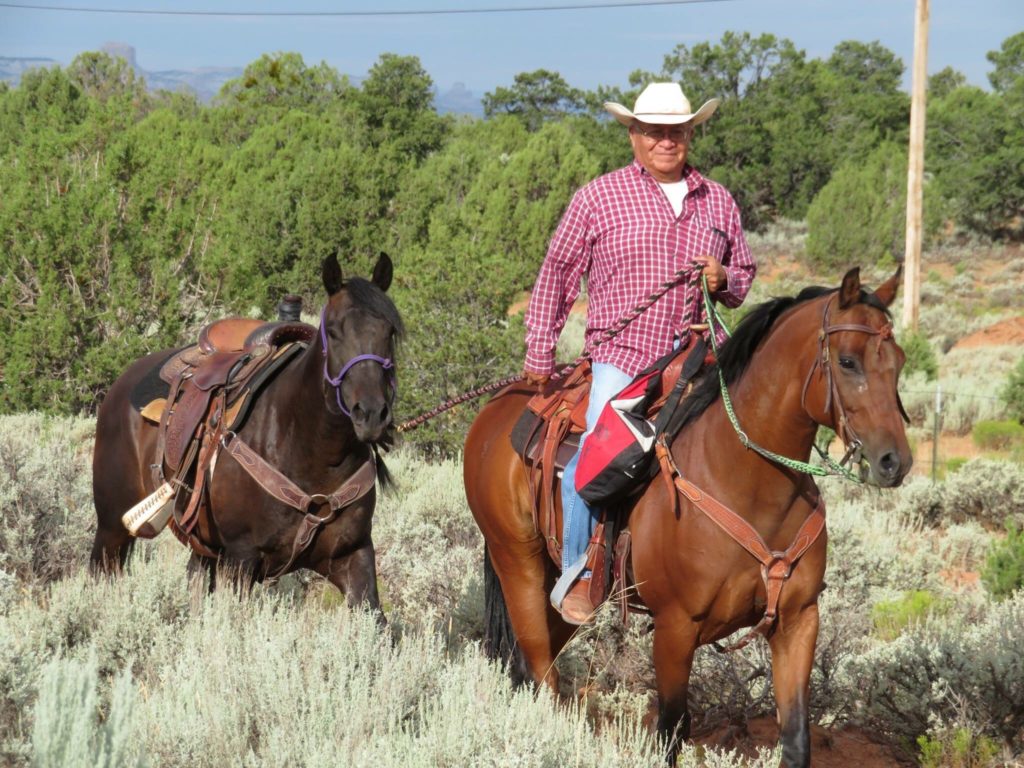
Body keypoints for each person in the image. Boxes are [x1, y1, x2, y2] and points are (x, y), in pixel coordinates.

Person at [522, 82, 757, 625]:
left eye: (676, 130)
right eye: (653, 130)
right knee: (593, 461)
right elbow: (557, 273)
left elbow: (744, 277)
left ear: (691, 133)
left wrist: (723, 278)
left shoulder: (717, 199)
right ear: (633, 134)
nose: (665, 140)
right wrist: (540, 349)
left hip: (702, 356)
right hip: (622, 357)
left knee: (755, 441)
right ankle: (581, 573)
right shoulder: (598, 197)